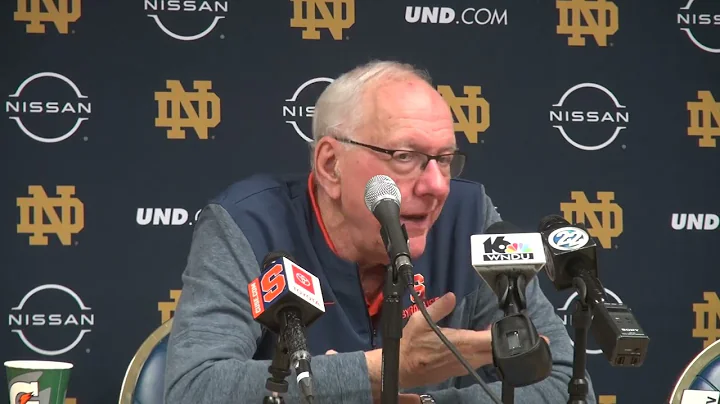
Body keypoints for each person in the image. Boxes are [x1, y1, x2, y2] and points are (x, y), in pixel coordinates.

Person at [163, 60, 596, 404]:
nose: (437, 186)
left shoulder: (470, 218)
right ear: (331, 165)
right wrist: (386, 371)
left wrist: (420, 400)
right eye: (405, 156)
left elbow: (565, 385)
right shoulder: (248, 224)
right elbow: (195, 390)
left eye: (444, 159)